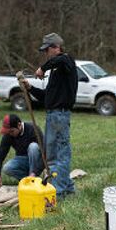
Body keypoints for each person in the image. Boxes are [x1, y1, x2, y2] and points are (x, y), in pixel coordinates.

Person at [20, 32, 78, 199]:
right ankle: (65, 188)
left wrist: (43, 67)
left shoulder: (66, 61)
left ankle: (58, 192)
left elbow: (60, 59)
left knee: (60, 154)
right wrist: (30, 88)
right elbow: (47, 97)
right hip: (53, 115)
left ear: (56, 47)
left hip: (59, 115)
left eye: (47, 50)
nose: (46, 54)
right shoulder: (56, 70)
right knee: (52, 155)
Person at [0, 114, 44, 189]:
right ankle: (28, 181)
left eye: (11, 131)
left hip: (37, 160)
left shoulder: (33, 129)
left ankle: (33, 178)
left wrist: (35, 172)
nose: (10, 134)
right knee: (7, 168)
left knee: (33, 147)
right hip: (23, 159)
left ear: (19, 125)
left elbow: (45, 154)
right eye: (8, 132)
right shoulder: (8, 135)